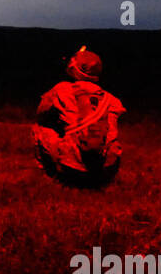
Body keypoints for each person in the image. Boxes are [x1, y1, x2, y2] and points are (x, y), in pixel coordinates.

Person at [33, 46, 125, 187]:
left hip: (73, 168)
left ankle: (52, 175)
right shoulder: (112, 100)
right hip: (104, 170)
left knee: (39, 129)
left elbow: (41, 114)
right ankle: (100, 179)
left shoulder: (62, 90)